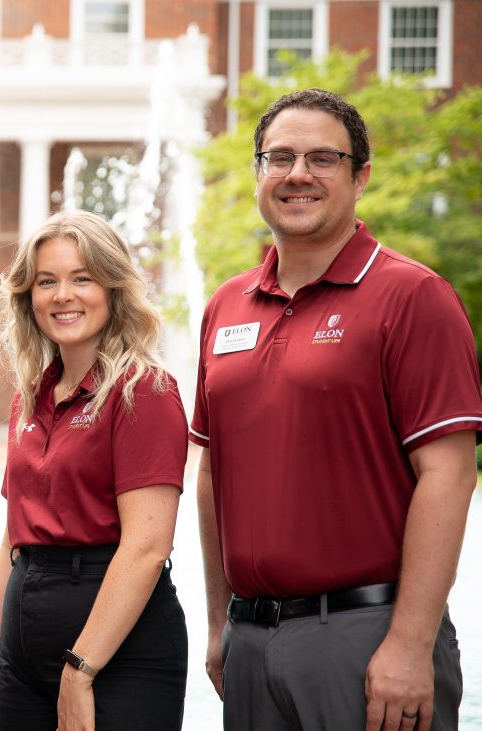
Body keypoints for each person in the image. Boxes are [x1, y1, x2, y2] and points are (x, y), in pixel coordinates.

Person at [191, 88, 482, 731]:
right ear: (258, 174)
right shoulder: (226, 307)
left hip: (366, 634)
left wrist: (408, 644)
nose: (298, 174)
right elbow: (212, 473)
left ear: (361, 176)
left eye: (323, 157)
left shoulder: (413, 297)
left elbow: (450, 475)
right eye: (280, 157)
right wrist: (220, 623)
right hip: (252, 640)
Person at [0, 209, 189, 731]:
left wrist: (79, 670)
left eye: (82, 278)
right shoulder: (31, 398)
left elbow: (147, 547)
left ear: (113, 289)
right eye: (47, 281)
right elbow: (13, 537)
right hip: (22, 651)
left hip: (119, 653)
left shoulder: (145, 391)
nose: (62, 295)